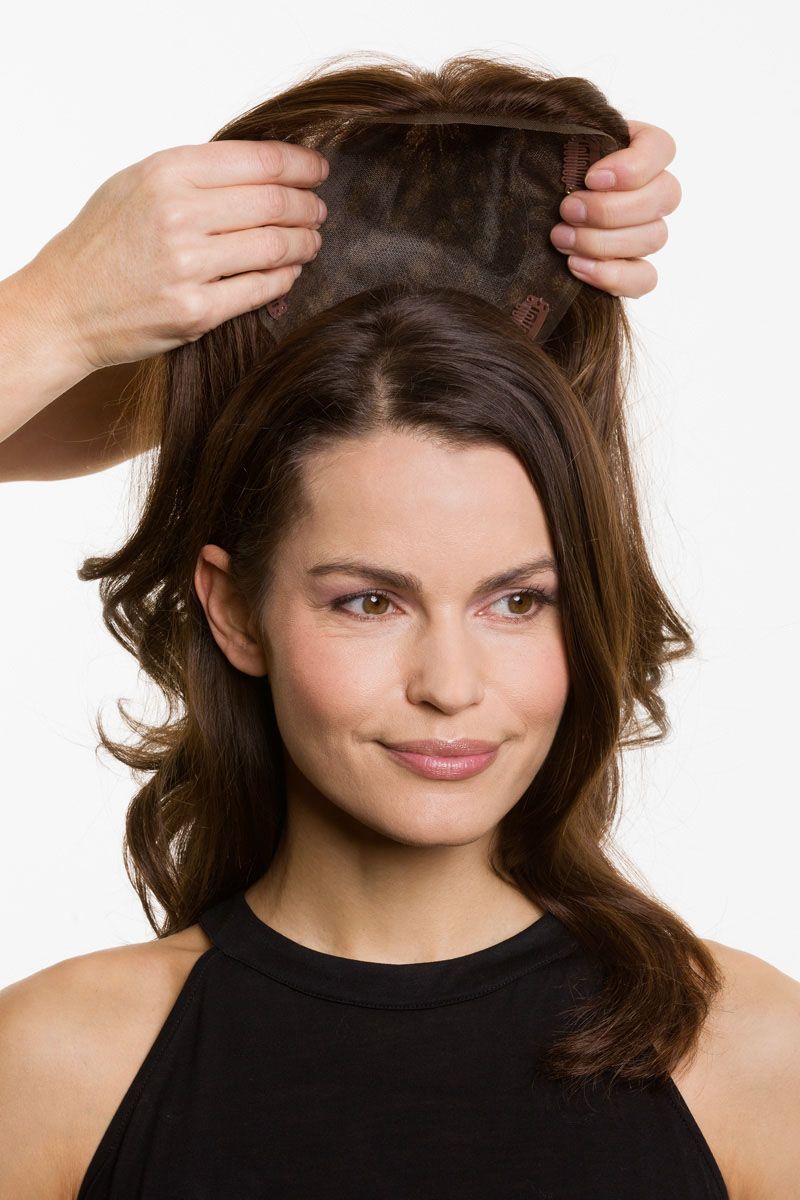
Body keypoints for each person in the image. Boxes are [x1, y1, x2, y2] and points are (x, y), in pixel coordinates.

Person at [0, 53, 797, 1200]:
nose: (449, 683)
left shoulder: (751, 1059)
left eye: (517, 601)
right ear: (234, 611)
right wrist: (55, 316)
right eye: (366, 601)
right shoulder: (59, 1071)